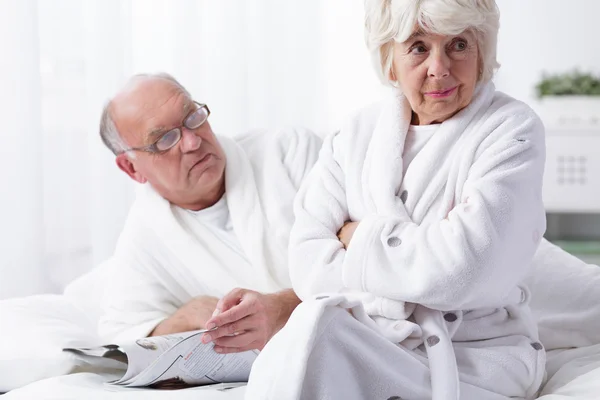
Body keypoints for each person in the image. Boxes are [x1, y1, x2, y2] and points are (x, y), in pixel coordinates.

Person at [246, 0, 547, 399]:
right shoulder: (354, 134)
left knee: (318, 341)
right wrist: (421, 259)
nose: (439, 67)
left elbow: (465, 268)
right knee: (311, 328)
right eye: (418, 47)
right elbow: (307, 265)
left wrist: (357, 236)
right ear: (390, 60)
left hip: (474, 351)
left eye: (458, 45)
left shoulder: (511, 129)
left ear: (482, 52)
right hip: (370, 334)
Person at [97, 73, 322, 354]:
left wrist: (283, 308)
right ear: (132, 169)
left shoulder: (289, 152)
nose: (192, 142)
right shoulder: (144, 236)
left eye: (192, 117)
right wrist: (184, 318)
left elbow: (363, 257)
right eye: (165, 139)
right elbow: (121, 339)